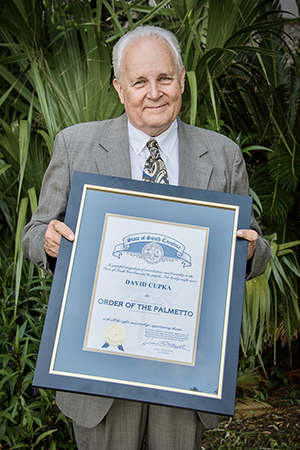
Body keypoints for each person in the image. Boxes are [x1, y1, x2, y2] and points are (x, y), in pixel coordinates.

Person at [22, 25, 271, 450]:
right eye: (139, 81)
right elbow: (35, 231)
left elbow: (257, 247)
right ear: (120, 89)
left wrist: (250, 251)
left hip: (182, 369)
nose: (153, 92)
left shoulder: (222, 153)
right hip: (99, 367)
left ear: (182, 80)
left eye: (164, 79)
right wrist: (48, 240)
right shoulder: (75, 145)